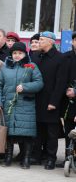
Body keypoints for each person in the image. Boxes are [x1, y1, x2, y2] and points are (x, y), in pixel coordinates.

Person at [0, 42, 43, 169]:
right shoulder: (5, 68)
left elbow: (39, 83)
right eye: (14, 53)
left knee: (26, 135)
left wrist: (25, 87)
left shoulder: (31, 66)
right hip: (9, 105)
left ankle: (26, 159)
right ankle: (8, 157)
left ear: (24, 54)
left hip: (25, 106)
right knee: (9, 134)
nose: (17, 55)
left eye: (19, 53)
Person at [31, 31, 67, 170]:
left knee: (52, 133)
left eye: (41, 39)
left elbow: (61, 82)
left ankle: (51, 158)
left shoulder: (60, 58)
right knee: (38, 130)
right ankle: (37, 155)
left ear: (51, 42)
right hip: (36, 99)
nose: (38, 42)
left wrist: (54, 102)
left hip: (51, 101)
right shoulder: (36, 56)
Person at [55, 32, 76, 168]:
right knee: (69, 130)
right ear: (72, 41)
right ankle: (69, 157)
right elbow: (60, 78)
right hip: (68, 100)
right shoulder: (65, 57)